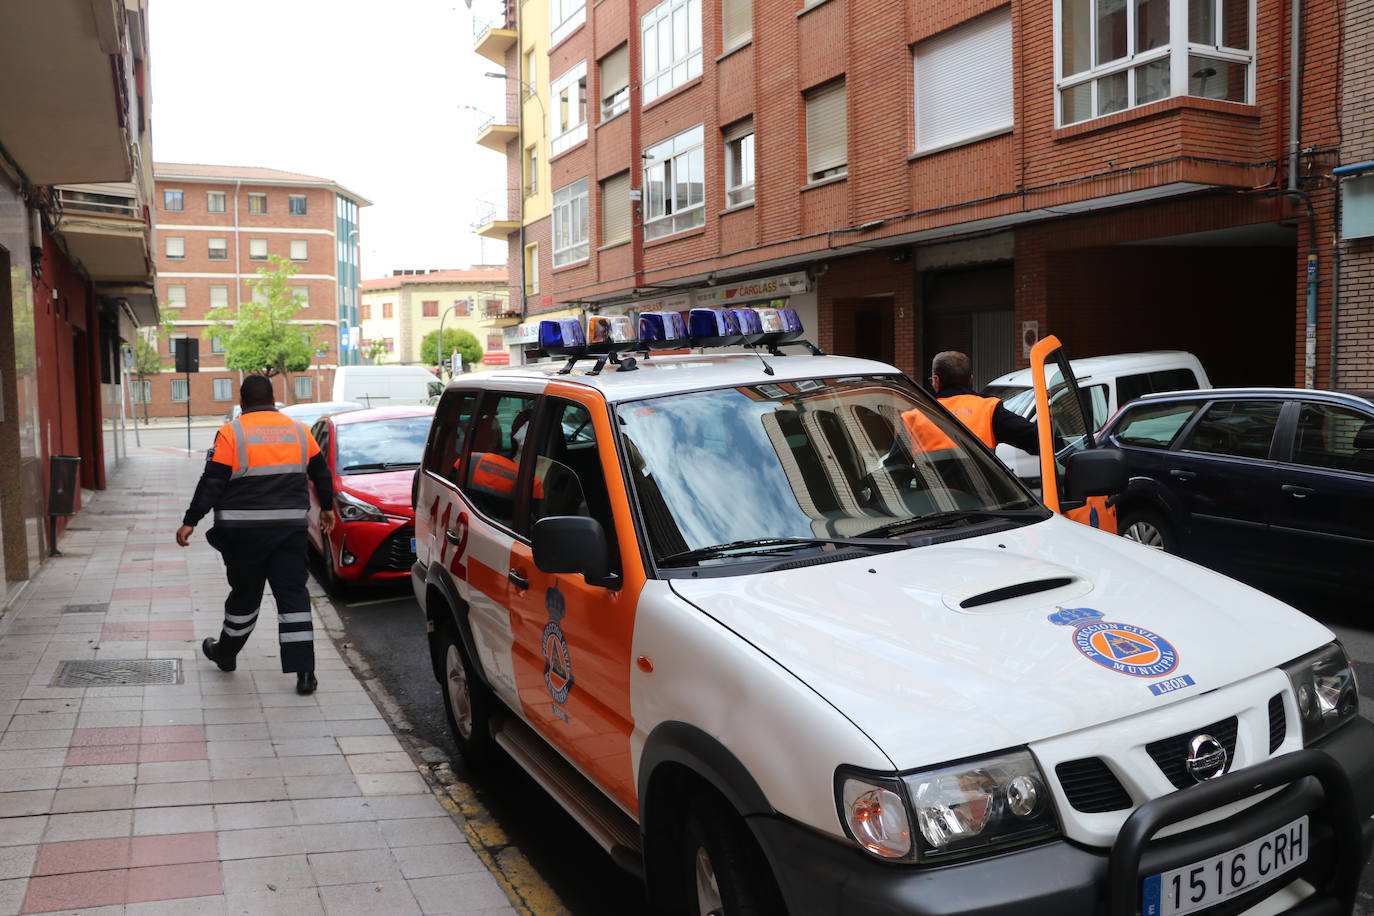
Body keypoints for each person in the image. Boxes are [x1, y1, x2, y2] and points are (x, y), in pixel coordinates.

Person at [175, 374, 337, 694]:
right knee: (293, 597)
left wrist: (190, 520)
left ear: (243, 401)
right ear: (273, 399)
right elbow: (321, 472)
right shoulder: (300, 431)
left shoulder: (232, 433)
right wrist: (328, 508)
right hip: (290, 531)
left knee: (245, 595)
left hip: (243, 534)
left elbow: (213, 481)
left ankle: (226, 653)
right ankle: (305, 673)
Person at [902, 350, 1040, 455]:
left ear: (936, 381)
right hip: (982, 493)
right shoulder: (989, 410)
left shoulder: (914, 416)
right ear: (970, 380)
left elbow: (896, 469)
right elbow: (1036, 440)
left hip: (932, 493)